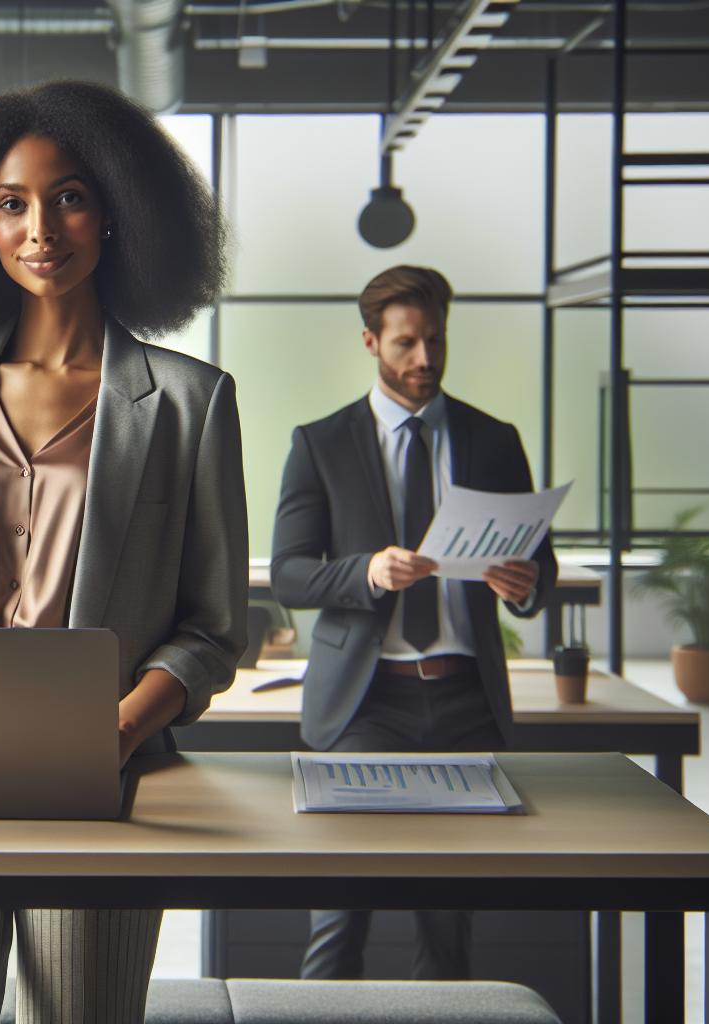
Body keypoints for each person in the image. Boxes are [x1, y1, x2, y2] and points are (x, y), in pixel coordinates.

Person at [0, 80, 247, 1024]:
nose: (40, 229)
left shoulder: (191, 401)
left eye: (67, 196)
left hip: (99, 775)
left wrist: (119, 730)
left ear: (115, 210)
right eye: (10, 204)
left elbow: (213, 628)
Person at [270, 264, 557, 981]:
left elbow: (540, 570)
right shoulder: (321, 443)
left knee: (449, 922)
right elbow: (290, 574)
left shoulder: (494, 440)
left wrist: (524, 585)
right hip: (367, 705)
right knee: (340, 917)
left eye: (435, 340)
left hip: (466, 702)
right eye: (405, 343)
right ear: (371, 342)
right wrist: (365, 572)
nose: (424, 359)